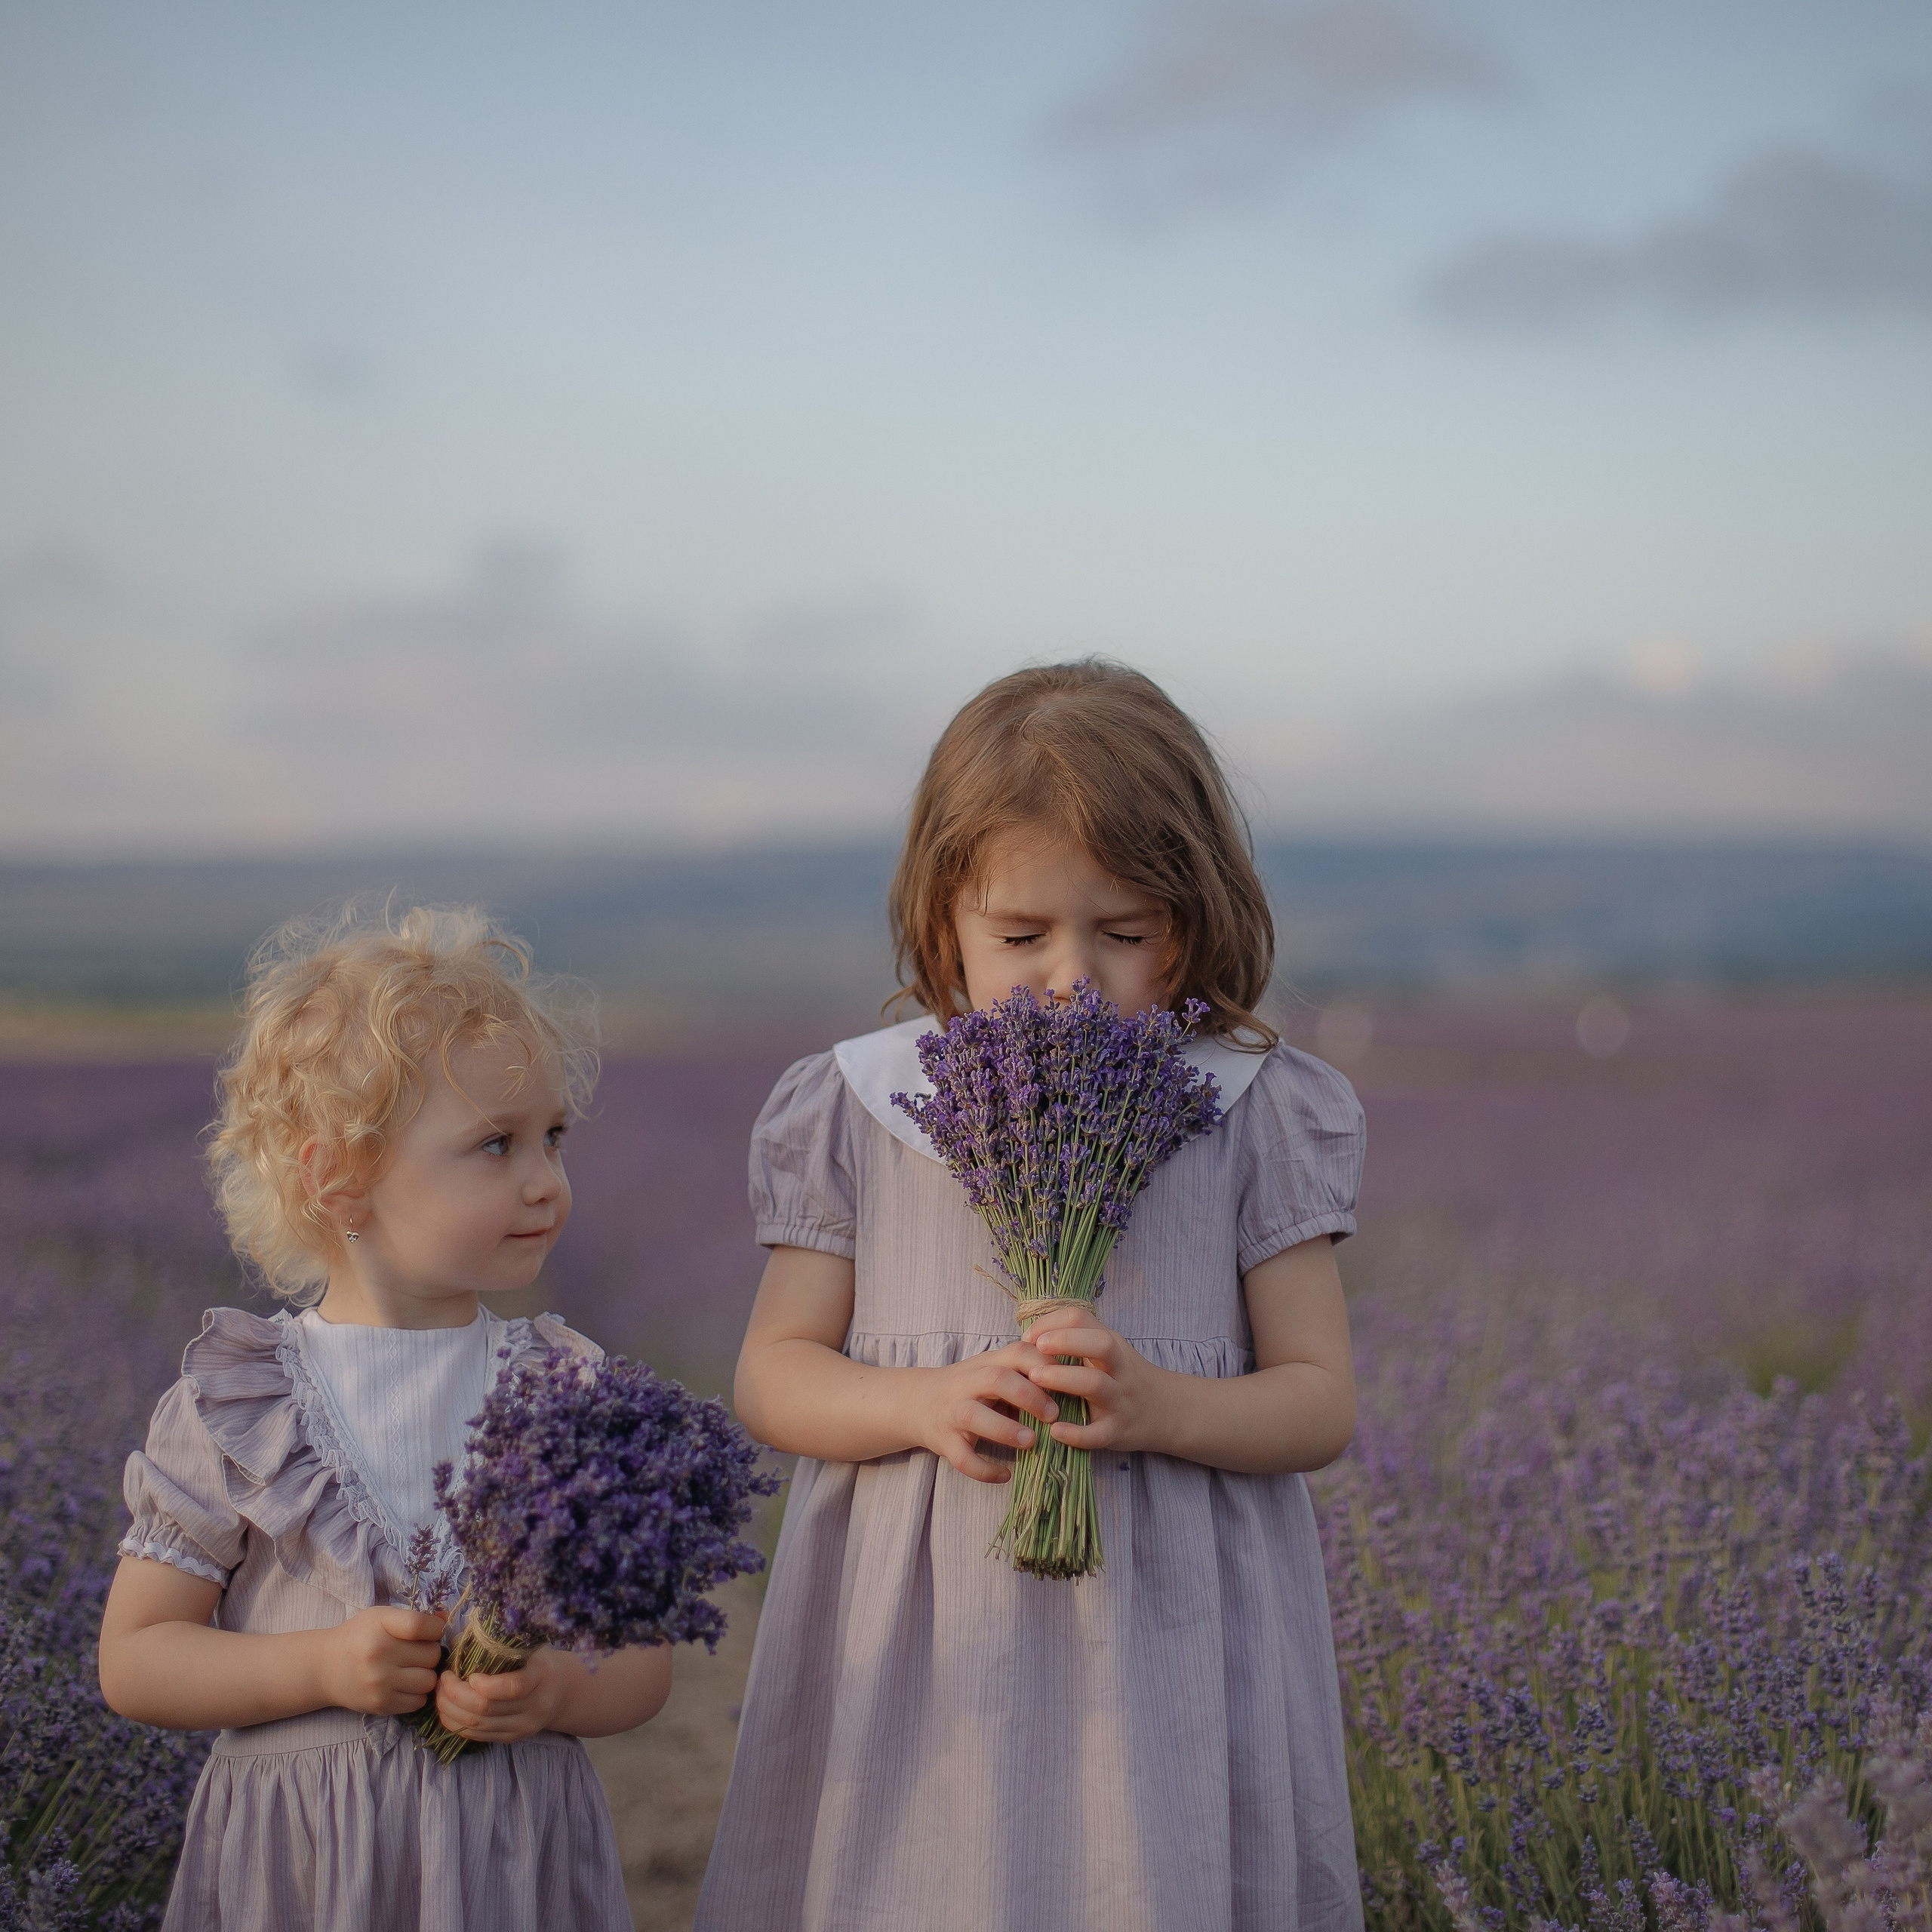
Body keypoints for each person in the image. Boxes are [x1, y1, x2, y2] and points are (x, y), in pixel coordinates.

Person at [696, 660, 1367, 1932]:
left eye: (1125, 933)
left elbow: (1318, 1402)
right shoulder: (862, 1106)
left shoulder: (1248, 1106)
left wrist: (1163, 1406)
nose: (1072, 978)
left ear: (1198, 915)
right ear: (943, 920)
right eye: (1021, 936)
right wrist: (921, 1402)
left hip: (1171, 1643)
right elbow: (775, 1372)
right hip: (931, 1651)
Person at [97, 903, 669, 1932]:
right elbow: (137, 1657)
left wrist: (550, 1693)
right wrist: (314, 1665)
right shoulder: (240, 1406)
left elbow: (642, 1664)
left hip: (507, 1862)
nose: (547, 1182)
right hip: (305, 1874)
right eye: (496, 1146)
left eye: (553, 1137)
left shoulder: (565, 1394)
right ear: (339, 1181)